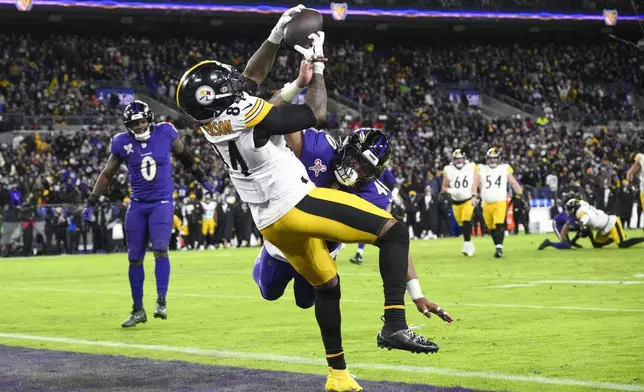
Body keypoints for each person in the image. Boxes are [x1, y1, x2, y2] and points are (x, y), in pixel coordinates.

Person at [175, 9, 444, 391]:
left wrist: (275, 42)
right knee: (394, 232)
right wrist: (315, 67)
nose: (237, 81)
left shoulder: (210, 122)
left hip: (270, 223)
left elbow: (252, 88)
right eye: (226, 83)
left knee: (327, 287)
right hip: (295, 203)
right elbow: (313, 113)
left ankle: (337, 375)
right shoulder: (245, 110)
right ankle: (394, 326)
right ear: (216, 97)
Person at [81, 100, 215, 328]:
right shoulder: (122, 143)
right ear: (128, 125)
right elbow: (106, 175)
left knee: (161, 249)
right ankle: (137, 309)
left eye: (142, 121)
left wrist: (202, 179)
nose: (140, 126)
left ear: (150, 120)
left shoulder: (165, 133)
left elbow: (186, 157)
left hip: (161, 203)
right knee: (134, 258)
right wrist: (92, 201)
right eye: (135, 123)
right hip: (137, 205)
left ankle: (161, 300)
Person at [477, 147, 523, 258]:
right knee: (491, 227)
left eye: (495, 158)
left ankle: (499, 248)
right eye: (490, 158)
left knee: (499, 224)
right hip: (486, 202)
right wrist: (476, 194)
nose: (492, 161)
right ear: (487, 159)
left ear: (499, 159)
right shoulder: (481, 168)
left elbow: (512, 181)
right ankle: (497, 246)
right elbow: (477, 183)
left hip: (500, 201)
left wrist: (519, 192)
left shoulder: (504, 168)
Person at [350, 167, 396, 265]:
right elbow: (392, 182)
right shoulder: (381, 169)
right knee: (387, 234)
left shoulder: (363, 173)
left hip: (373, 199)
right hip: (383, 199)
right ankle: (359, 253)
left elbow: (393, 182)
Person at [441, 149, 479, 256]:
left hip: (468, 199)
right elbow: (443, 187)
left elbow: (476, 181)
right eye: (457, 159)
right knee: (462, 224)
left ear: (464, 158)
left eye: (461, 158)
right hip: (456, 201)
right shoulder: (448, 168)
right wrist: (450, 190)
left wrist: (475, 195)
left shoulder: (471, 166)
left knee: (466, 220)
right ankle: (470, 243)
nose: (459, 161)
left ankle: (467, 245)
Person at [564, 198, 644, 249]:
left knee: (622, 244)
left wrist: (578, 225)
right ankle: (616, 237)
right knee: (597, 245)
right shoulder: (583, 205)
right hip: (603, 227)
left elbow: (585, 218)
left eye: (570, 209)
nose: (569, 211)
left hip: (612, 223)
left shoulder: (582, 213)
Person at [626, 152, 644, 232]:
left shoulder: (640, 158)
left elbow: (630, 174)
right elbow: (632, 174)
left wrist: (630, 180)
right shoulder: (641, 158)